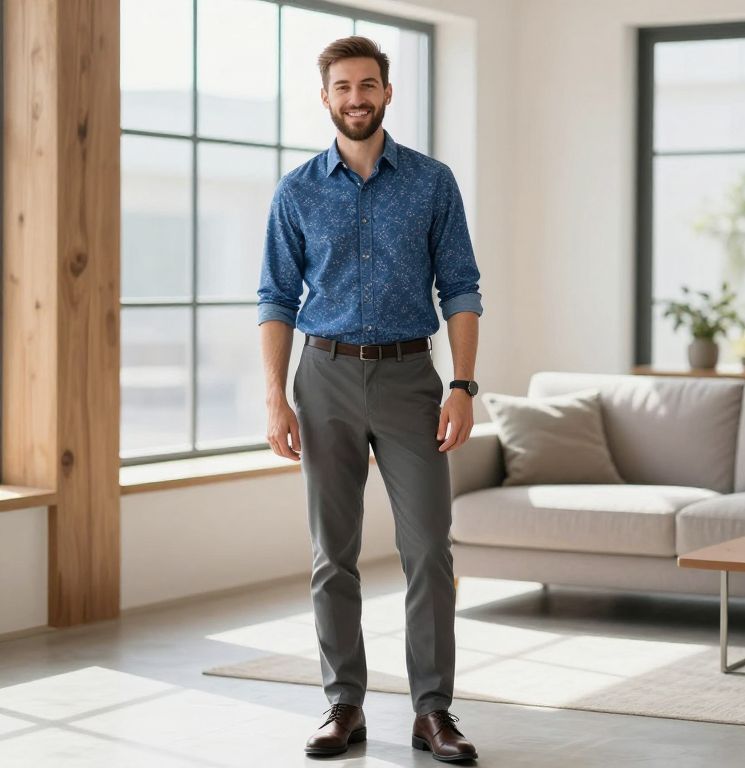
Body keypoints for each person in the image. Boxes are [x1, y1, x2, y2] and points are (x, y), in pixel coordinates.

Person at [257, 35, 482, 763]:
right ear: (325, 98)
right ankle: (343, 705)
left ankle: (433, 712)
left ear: (388, 92)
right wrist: (275, 399)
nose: (357, 98)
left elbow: (462, 287)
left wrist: (462, 385)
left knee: (428, 553)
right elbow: (275, 298)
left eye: (369, 85)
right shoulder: (296, 190)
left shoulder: (431, 181)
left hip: (412, 378)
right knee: (334, 554)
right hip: (321, 378)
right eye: (343, 87)